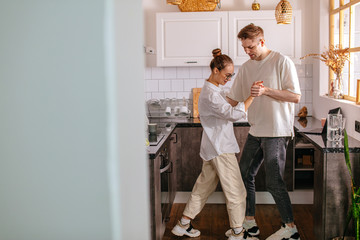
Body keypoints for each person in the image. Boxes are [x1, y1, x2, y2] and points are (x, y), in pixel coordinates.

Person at [226, 23, 302, 240]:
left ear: (262, 41)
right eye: (244, 48)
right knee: (244, 174)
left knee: (273, 181)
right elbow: (233, 98)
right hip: (256, 129)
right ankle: (249, 221)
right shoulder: (247, 67)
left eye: (251, 47)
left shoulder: (281, 61)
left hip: (277, 131)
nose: (248, 52)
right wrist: (211, 97)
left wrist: (266, 90)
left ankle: (291, 228)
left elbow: (295, 96)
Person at [171, 48, 255, 240]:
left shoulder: (214, 90)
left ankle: (182, 224)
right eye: (227, 75)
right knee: (236, 191)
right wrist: (252, 96)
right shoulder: (211, 94)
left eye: (231, 75)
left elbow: (228, 105)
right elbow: (233, 114)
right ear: (216, 70)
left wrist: (241, 98)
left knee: (203, 187)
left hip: (212, 147)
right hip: (220, 149)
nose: (229, 78)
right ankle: (237, 232)